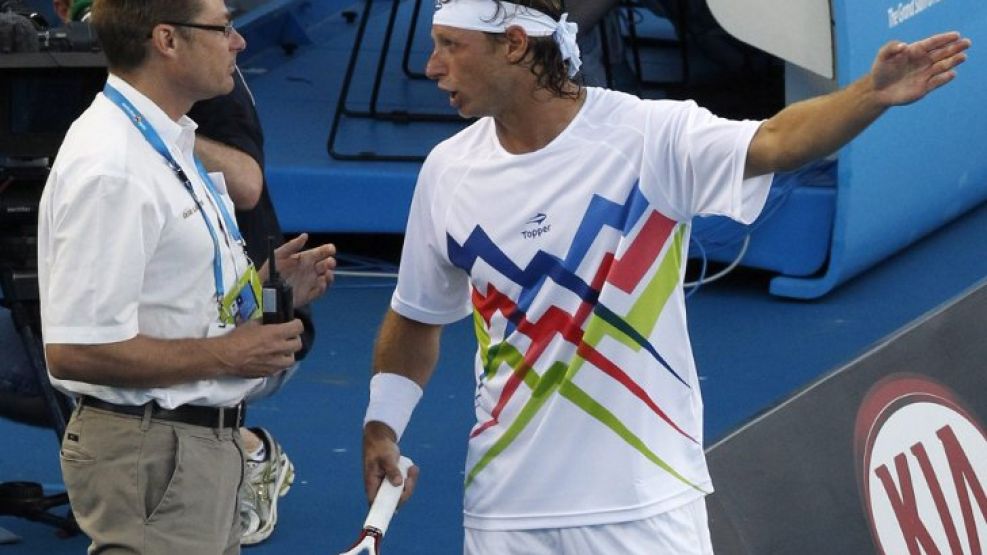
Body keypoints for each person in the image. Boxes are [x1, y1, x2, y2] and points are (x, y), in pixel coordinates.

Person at [359, 0, 970, 553]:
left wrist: (870, 94)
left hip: (645, 504)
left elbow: (779, 142)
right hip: (504, 512)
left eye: (450, 44)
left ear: (514, 44)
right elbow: (417, 316)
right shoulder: (447, 172)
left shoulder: (649, 136)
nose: (432, 67)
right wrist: (382, 425)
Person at [36, 0, 335, 553]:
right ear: (168, 40)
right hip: (154, 455)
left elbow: (188, 309)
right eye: (223, 28)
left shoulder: (170, 144)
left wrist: (272, 290)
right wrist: (230, 357)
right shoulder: (113, 168)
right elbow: (76, 349)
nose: (239, 42)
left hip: (191, 452)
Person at [189, 67, 316, 546]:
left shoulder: (206, 78)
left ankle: (245, 453)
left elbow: (246, 183)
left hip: (250, 315)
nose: (237, 42)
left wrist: (156, 130)